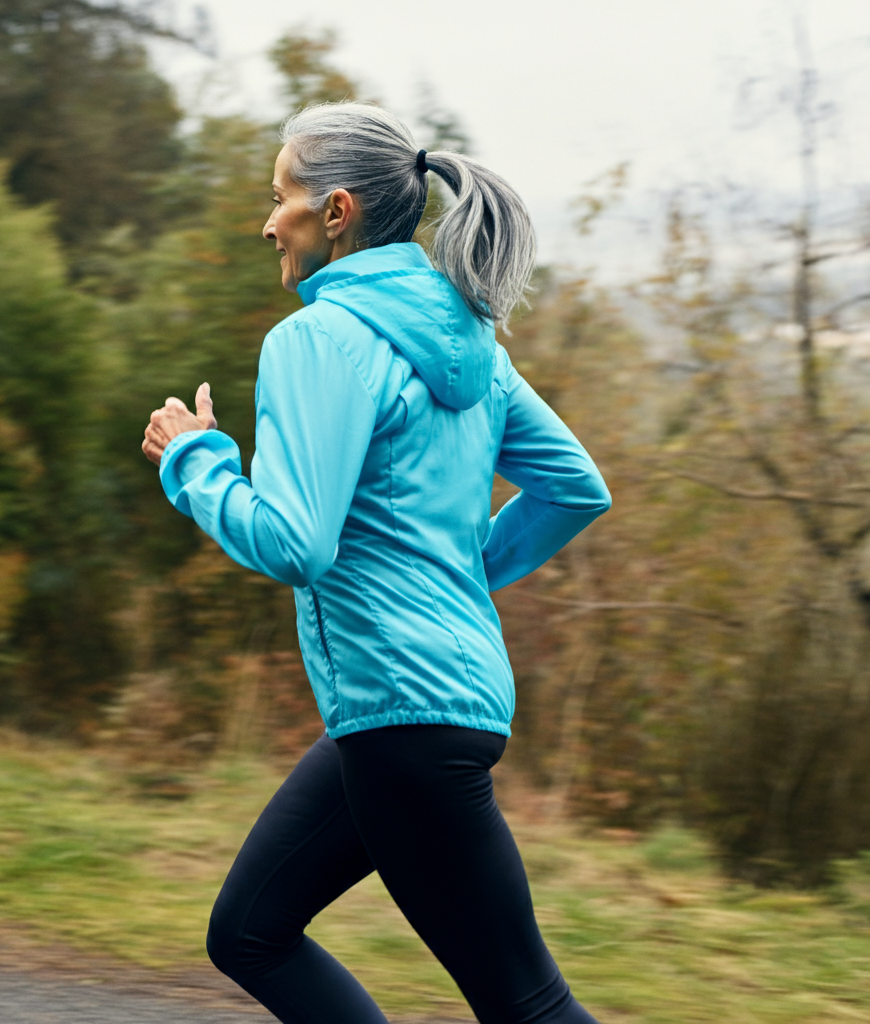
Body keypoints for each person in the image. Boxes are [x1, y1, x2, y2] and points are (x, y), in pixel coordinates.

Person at [141, 103, 611, 1024]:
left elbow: (294, 542)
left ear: (338, 210)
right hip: (424, 708)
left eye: (281, 197)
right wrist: (464, 577)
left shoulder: (317, 341)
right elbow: (573, 489)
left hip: (404, 720)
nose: (266, 221)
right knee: (249, 931)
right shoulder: (469, 342)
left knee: (527, 1003)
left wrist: (198, 462)